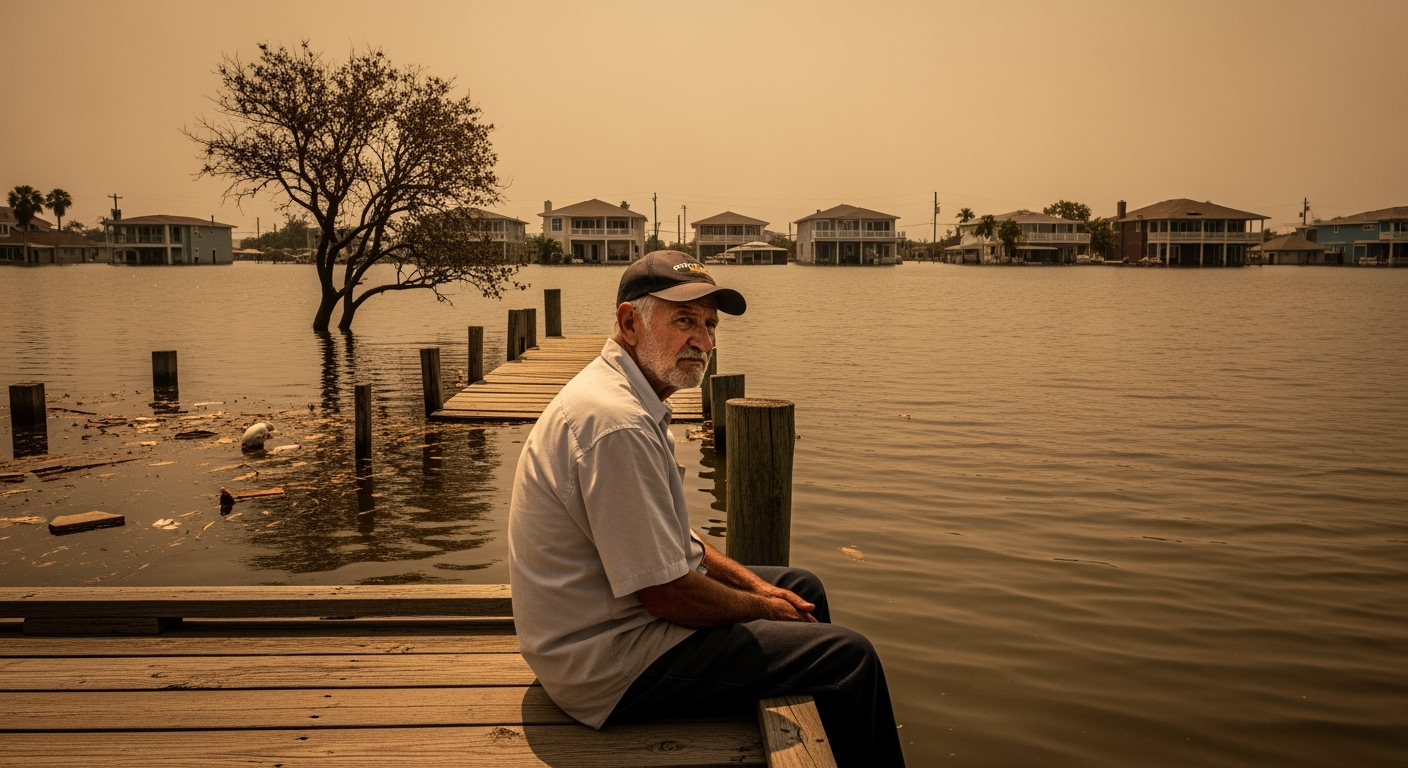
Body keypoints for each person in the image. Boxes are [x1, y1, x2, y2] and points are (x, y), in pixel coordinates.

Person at [508, 251, 905, 767]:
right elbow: (666, 593)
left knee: (800, 587)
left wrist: (762, 589)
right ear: (629, 323)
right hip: (605, 665)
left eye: (710, 324)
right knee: (849, 658)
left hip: (606, 628)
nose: (703, 340)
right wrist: (766, 609)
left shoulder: (628, 397)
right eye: (684, 321)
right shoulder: (615, 423)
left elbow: (674, 539)